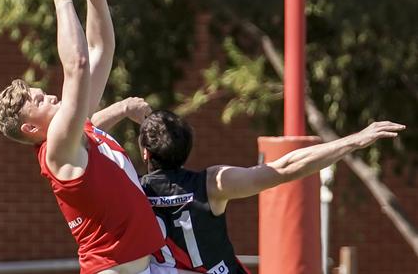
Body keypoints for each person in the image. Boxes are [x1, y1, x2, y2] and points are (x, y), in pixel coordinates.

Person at [0, 0, 165, 274]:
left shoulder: (77, 129)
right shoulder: (57, 146)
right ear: (30, 128)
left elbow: (100, 50)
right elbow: (79, 65)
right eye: (40, 101)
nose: (51, 96)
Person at [136, 110, 405, 274]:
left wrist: (120, 109)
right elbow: (288, 167)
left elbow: (92, 147)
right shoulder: (212, 183)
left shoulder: (131, 189)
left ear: (145, 152)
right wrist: (353, 140)